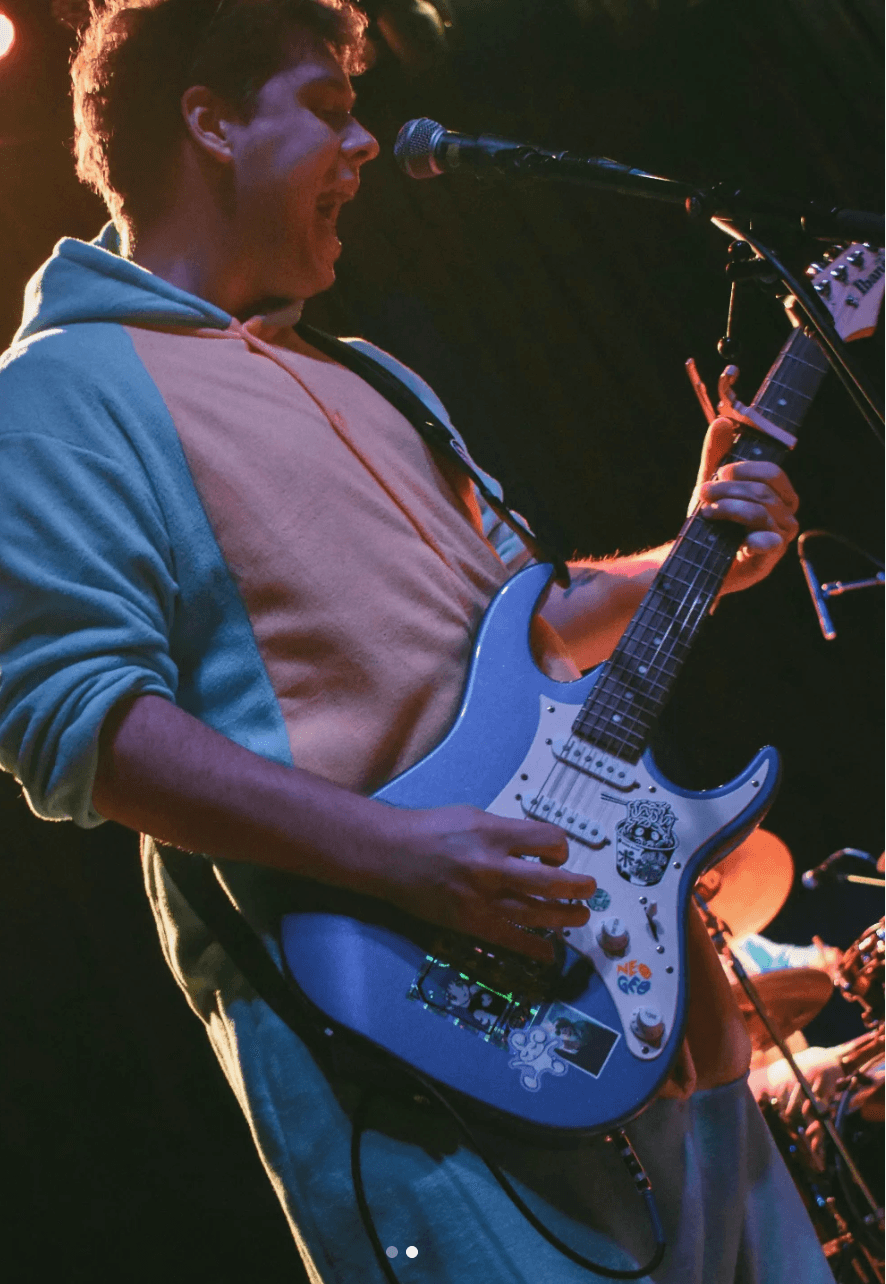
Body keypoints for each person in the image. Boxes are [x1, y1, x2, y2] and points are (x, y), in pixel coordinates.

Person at [0, 1, 833, 1280]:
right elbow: (79, 726)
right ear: (210, 122)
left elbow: (520, 625)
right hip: (408, 1044)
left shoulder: (376, 377)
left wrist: (693, 554)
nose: (367, 146)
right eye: (330, 110)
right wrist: (402, 857)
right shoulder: (62, 388)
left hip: (628, 995)